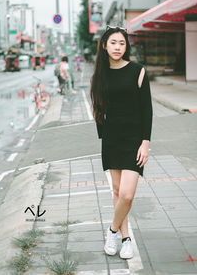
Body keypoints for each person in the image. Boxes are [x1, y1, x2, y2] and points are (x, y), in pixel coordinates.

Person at [90, 26, 153, 259]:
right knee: (117, 192)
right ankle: (126, 240)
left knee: (127, 194)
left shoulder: (138, 71)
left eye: (122, 43)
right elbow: (98, 110)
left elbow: (147, 110)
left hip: (134, 140)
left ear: (126, 47)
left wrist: (145, 142)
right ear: (104, 45)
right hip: (112, 139)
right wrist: (104, 138)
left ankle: (112, 230)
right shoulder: (100, 75)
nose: (117, 47)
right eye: (113, 43)